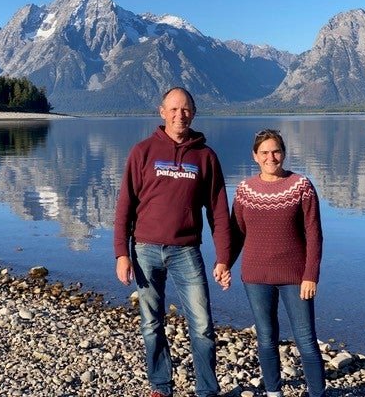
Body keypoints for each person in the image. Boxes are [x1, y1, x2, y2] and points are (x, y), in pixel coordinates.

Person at [114, 87, 232, 397]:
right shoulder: (142, 151)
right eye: (174, 109)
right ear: (162, 112)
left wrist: (223, 257)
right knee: (151, 325)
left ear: (194, 112)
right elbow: (124, 205)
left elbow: (219, 211)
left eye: (186, 109)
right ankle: (160, 386)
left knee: (203, 326)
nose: (180, 115)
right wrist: (121, 254)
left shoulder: (205, 156)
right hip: (144, 251)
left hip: (186, 252)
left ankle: (207, 390)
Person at [229, 129, 326, 397]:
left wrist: (311, 275)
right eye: (265, 152)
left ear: (283, 153)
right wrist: (224, 263)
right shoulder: (244, 190)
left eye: (276, 151)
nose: (271, 157)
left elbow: (314, 234)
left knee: (306, 340)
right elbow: (236, 233)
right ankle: (273, 392)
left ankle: (317, 393)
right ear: (255, 156)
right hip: (255, 276)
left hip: (295, 277)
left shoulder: (301, 186)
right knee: (266, 338)